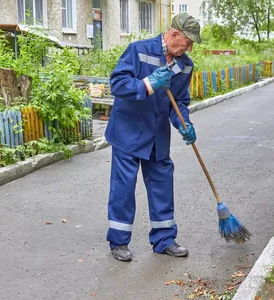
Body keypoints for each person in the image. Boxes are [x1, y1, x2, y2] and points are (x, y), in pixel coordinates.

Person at [104, 14, 202, 262]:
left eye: (190, 45)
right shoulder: (138, 50)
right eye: (187, 42)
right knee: (123, 188)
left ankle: (164, 240)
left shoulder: (186, 65)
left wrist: (184, 123)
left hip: (157, 135)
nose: (188, 48)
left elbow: (178, 102)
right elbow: (118, 84)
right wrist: (147, 83)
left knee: (162, 185)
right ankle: (118, 241)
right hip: (128, 132)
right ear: (174, 34)